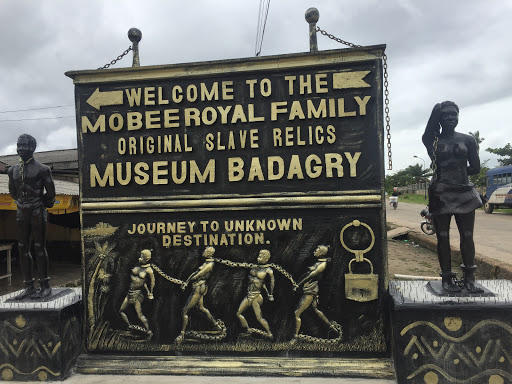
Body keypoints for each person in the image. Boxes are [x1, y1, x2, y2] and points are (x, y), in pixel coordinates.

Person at [422, 101, 483, 293]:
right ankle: (447, 278)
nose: (450, 119)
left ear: (458, 117)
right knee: (442, 236)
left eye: (453, 115)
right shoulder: (433, 141)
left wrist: (457, 172)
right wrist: (435, 110)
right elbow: (427, 132)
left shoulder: (468, 140)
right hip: (441, 193)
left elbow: (475, 167)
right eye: (446, 116)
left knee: (467, 235)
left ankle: (469, 278)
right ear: (439, 119)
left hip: (463, 191)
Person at [8, 134, 56, 299]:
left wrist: (41, 203)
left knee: (39, 247)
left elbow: (51, 194)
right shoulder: (12, 170)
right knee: (22, 246)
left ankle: (45, 285)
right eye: (19, 145)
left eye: (25, 146)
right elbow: (13, 193)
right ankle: (28, 285)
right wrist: (23, 203)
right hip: (22, 210)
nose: (21, 148)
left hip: (37, 210)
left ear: (32, 148)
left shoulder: (43, 169)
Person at [175, 246, 220, 344]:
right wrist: (186, 282)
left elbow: (198, 275)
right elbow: (194, 273)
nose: (203, 252)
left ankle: (181, 334)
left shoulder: (209, 265)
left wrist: (188, 282)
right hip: (198, 286)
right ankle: (216, 325)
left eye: (205, 251)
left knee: (185, 311)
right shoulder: (206, 263)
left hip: (199, 287)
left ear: (209, 253)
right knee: (201, 308)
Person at [293, 245, 336, 338]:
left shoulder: (322, 265)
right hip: (310, 290)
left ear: (321, 253)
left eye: (317, 249)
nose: (315, 250)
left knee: (297, 313)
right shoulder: (319, 262)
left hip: (310, 291)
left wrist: (298, 285)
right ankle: (332, 327)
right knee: (315, 310)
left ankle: (295, 337)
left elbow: (311, 276)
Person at [236, 249, 274, 338]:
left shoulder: (268, 270)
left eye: (261, 256)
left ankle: (270, 333)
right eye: (258, 256)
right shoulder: (254, 267)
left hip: (256, 296)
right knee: (238, 313)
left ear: (266, 259)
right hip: (249, 294)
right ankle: (247, 329)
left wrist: (270, 294)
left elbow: (270, 283)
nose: (258, 258)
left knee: (259, 318)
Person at [119, 249, 155, 334]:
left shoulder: (149, 270)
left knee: (139, 315)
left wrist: (151, 293)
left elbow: (152, 282)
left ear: (147, 258)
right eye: (140, 255)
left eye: (142, 256)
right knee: (121, 311)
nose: (140, 257)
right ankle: (129, 326)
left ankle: (148, 331)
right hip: (130, 292)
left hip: (138, 294)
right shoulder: (137, 265)